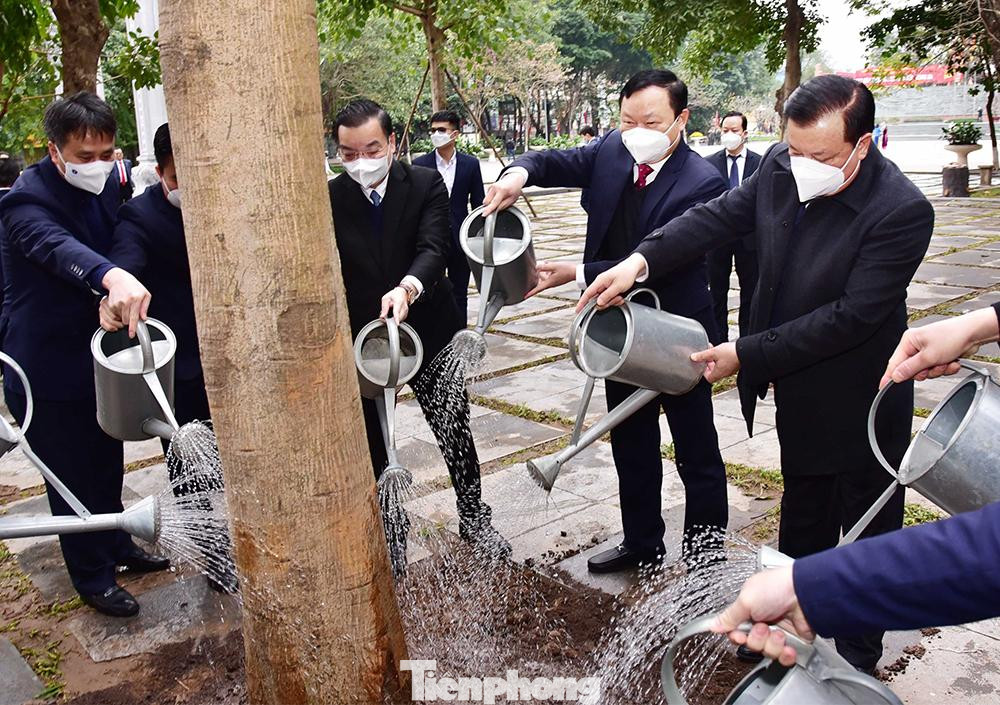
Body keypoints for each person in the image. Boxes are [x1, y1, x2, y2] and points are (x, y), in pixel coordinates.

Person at [578, 75, 934, 672]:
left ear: (863, 144)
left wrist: (745, 353)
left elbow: (849, 318)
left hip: (864, 391)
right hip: (797, 385)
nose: (800, 167)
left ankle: (857, 659)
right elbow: (715, 218)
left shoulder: (900, 210)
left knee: (869, 526)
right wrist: (638, 262)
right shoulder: (777, 166)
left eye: (818, 156)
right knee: (803, 514)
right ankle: (787, 645)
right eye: (793, 150)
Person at [483, 68, 730, 573]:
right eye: (627, 119)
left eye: (652, 121)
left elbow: (663, 255)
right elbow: (550, 160)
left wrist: (576, 273)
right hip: (618, 328)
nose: (637, 131)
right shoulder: (613, 152)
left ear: (681, 120)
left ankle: (706, 562)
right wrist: (517, 174)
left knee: (696, 449)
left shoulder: (703, 182)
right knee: (630, 440)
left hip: (679, 332)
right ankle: (642, 540)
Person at [712, 304, 1000, 666]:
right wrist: (982, 325)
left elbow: (983, 552)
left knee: (870, 504)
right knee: (806, 505)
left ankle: (858, 649)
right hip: (802, 382)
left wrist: (811, 588)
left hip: (869, 375)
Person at [0, 92, 169, 618]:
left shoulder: (108, 184)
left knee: (104, 457)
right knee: (69, 471)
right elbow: (56, 247)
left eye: (107, 154)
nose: (97, 166)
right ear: (55, 152)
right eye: (83, 157)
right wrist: (109, 279)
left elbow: (119, 236)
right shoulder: (24, 202)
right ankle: (92, 575)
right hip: (44, 362)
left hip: (99, 352)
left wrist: (113, 284)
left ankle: (117, 540)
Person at [328, 99, 509, 573]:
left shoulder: (426, 183)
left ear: (392, 143)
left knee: (452, 425)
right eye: (348, 153)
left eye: (371, 148)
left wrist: (408, 287)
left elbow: (436, 247)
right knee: (375, 441)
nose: (361, 161)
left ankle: (474, 518)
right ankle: (392, 534)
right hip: (367, 338)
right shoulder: (331, 197)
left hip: (428, 324)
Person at [99, 123, 235, 593]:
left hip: (238, 362)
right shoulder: (138, 217)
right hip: (183, 372)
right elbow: (126, 262)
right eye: (180, 178)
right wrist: (119, 289)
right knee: (191, 470)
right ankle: (216, 557)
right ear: (160, 172)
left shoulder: (230, 200)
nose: (190, 189)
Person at [413, 110, 485, 317]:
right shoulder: (420, 165)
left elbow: (478, 204)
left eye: (442, 130)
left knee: (459, 293)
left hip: (460, 239)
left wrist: (477, 239)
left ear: (455, 134)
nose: (436, 134)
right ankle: (435, 337)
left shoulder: (470, 164)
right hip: (430, 240)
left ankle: (458, 340)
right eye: (433, 130)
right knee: (429, 290)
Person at [705, 112, 761, 344]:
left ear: (744, 133)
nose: (729, 135)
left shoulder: (760, 164)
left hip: (750, 239)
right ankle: (718, 341)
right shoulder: (709, 163)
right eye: (725, 130)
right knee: (716, 292)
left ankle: (746, 343)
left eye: (734, 131)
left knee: (750, 293)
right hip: (718, 239)